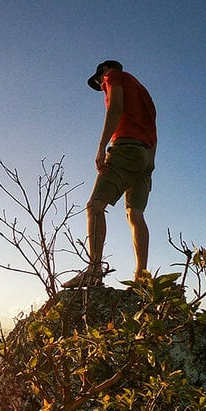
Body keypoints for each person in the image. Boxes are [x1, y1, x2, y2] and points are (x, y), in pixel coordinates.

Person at [63, 60, 157, 288]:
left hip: (126, 147)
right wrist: (149, 163)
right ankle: (141, 278)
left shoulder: (113, 76)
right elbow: (152, 127)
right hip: (146, 155)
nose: (101, 86)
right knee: (135, 214)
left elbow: (115, 108)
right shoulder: (142, 91)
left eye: (99, 82)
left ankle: (94, 270)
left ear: (104, 71)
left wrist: (101, 146)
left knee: (95, 206)